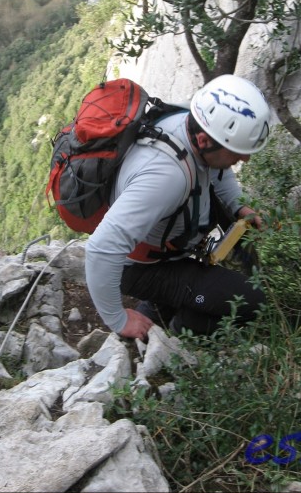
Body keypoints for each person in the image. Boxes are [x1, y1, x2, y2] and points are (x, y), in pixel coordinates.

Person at [84, 74, 271, 340]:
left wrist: (238, 207)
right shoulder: (165, 177)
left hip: (166, 246)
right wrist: (118, 319)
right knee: (254, 301)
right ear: (205, 141)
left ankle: (160, 306)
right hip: (143, 267)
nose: (246, 158)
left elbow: (219, 168)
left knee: (235, 277)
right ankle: (180, 328)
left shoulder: (188, 118)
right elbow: (101, 249)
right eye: (237, 152)